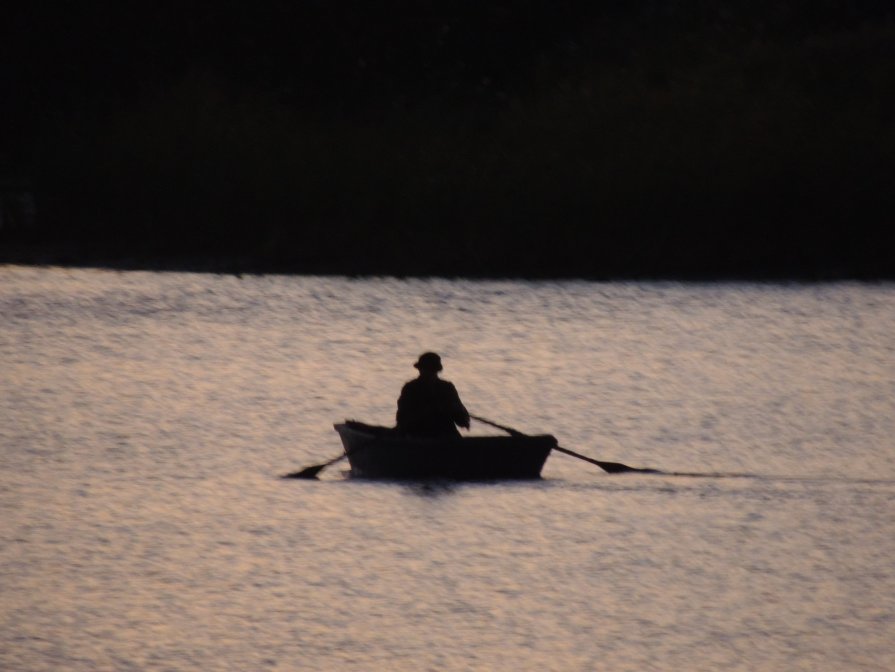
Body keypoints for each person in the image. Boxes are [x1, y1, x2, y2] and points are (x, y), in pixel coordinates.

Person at [396, 352, 470, 437]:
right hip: (419, 433)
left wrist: (458, 415)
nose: (429, 372)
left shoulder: (447, 387)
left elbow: (461, 415)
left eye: (431, 369)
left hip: (446, 434)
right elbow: (403, 417)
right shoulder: (411, 388)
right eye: (427, 369)